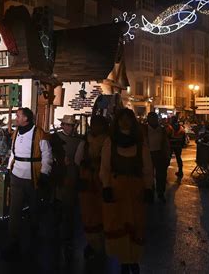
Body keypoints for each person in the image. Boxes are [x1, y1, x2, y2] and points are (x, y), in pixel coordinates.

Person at [100, 108, 153, 274]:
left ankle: (134, 259)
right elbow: (105, 167)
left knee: (136, 224)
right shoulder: (111, 142)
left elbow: (147, 168)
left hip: (135, 189)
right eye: (121, 118)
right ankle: (124, 260)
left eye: (127, 119)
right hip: (117, 189)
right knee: (118, 223)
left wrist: (149, 187)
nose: (124, 122)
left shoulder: (140, 143)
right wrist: (106, 186)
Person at [0, 107, 53, 261]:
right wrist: (10, 170)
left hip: (32, 178)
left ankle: (33, 241)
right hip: (17, 176)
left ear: (26, 118)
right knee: (14, 211)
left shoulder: (39, 134)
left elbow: (47, 155)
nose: (16, 117)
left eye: (18, 115)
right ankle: (13, 242)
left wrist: (44, 173)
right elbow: (13, 153)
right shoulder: (16, 132)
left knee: (34, 210)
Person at [51, 115, 83, 263]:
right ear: (62, 125)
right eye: (67, 125)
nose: (69, 128)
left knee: (69, 208)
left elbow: (79, 161)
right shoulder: (54, 138)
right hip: (57, 175)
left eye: (72, 125)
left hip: (71, 176)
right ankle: (55, 234)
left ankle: (67, 238)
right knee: (57, 206)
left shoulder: (78, 141)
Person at [78, 115, 109, 259]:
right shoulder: (86, 141)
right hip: (87, 179)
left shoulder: (108, 142)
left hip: (101, 180)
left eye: (97, 124)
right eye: (93, 124)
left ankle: (100, 244)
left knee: (100, 213)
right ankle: (92, 243)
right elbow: (78, 159)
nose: (94, 127)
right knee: (88, 213)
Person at [143, 112, 170, 202]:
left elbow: (166, 144)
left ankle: (160, 193)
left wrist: (167, 156)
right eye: (150, 118)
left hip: (160, 154)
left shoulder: (162, 130)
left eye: (154, 118)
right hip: (148, 154)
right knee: (148, 174)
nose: (152, 120)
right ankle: (150, 192)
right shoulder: (144, 129)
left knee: (161, 175)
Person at [166, 116, 186, 180]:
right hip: (178, 145)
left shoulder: (169, 127)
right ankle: (180, 171)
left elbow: (166, 137)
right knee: (179, 158)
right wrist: (182, 145)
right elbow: (183, 138)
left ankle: (165, 172)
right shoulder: (181, 127)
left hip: (171, 145)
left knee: (168, 158)